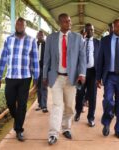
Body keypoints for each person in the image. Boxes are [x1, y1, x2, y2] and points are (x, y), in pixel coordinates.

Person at [43, 13, 86, 145]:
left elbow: (82, 58)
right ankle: (53, 134)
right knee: (57, 106)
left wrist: (82, 73)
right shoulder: (51, 38)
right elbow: (47, 59)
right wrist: (45, 76)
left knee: (69, 106)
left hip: (71, 79)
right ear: (60, 23)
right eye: (66, 21)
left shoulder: (78, 38)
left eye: (70, 21)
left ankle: (66, 128)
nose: (69, 23)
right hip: (56, 77)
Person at [0, 17, 39, 142]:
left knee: (22, 104)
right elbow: (2, 58)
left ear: (25, 26)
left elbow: (35, 60)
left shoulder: (31, 40)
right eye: (17, 24)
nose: (19, 25)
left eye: (22, 24)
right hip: (10, 77)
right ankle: (18, 118)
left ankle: (19, 129)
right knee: (10, 102)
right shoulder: (8, 40)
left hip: (25, 77)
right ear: (15, 25)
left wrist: (36, 77)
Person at [74, 23, 100, 127]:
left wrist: (100, 76)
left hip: (93, 72)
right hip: (81, 72)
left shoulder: (98, 43)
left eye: (91, 30)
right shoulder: (80, 42)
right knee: (79, 93)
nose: (89, 31)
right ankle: (78, 112)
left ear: (94, 31)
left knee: (92, 96)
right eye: (87, 30)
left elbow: (101, 59)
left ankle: (91, 118)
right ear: (84, 31)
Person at [35, 30, 48, 113]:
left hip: (44, 68)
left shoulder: (47, 45)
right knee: (38, 87)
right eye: (39, 35)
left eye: (42, 36)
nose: (40, 37)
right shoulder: (34, 45)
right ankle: (40, 104)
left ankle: (44, 106)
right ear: (37, 36)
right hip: (36, 69)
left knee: (43, 87)